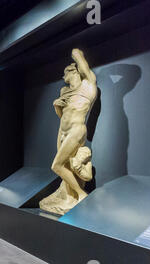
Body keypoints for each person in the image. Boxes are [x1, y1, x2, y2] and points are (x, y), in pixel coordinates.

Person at [51, 48, 97, 202]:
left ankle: (81, 194)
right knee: (66, 166)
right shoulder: (65, 91)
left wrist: (76, 55)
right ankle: (69, 197)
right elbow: (63, 117)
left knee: (56, 166)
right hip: (62, 132)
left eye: (66, 74)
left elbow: (80, 59)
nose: (64, 77)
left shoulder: (88, 85)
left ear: (73, 71)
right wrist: (57, 106)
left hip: (76, 131)